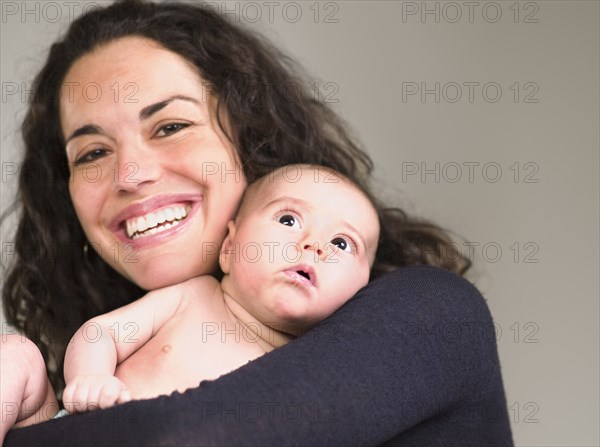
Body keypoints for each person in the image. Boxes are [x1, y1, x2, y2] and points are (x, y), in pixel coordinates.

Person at [1, 0, 512, 445]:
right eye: (92, 152)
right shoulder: (94, 368)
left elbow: (180, 439)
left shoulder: (430, 316)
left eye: (172, 125)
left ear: (252, 142)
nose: (130, 175)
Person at [1, 164, 380, 440]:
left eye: (342, 244)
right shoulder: (194, 296)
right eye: (288, 220)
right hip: (67, 429)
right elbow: (103, 333)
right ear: (229, 247)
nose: (313, 245)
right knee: (14, 354)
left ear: (362, 291)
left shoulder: (315, 368)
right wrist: (91, 378)